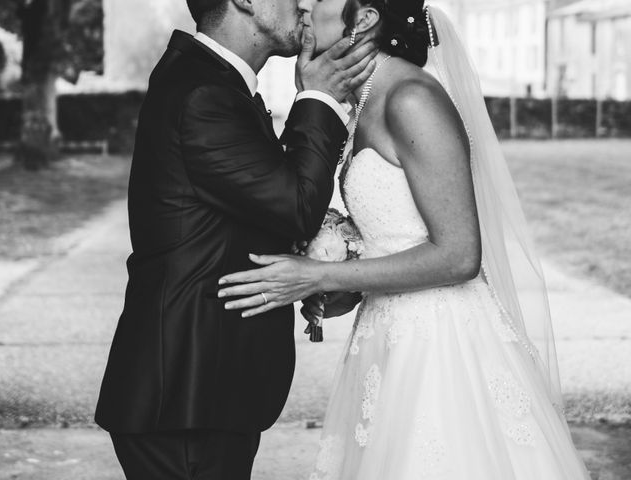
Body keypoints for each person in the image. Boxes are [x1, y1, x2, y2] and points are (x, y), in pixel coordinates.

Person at [217, 1, 592, 478]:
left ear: (367, 18)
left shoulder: (411, 99)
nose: (306, 6)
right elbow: (399, 234)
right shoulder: (367, 99)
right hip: (388, 338)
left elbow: (459, 255)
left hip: (442, 345)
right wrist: (346, 283)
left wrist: (318, 275)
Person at [94, 0, 378, 477]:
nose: (304, 4)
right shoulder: (205, 92)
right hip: (186, 398)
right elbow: (295, 204)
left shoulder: (212, 82)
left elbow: (245, 209)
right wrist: (319, 99)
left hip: (203, 395)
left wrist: (316, 268)